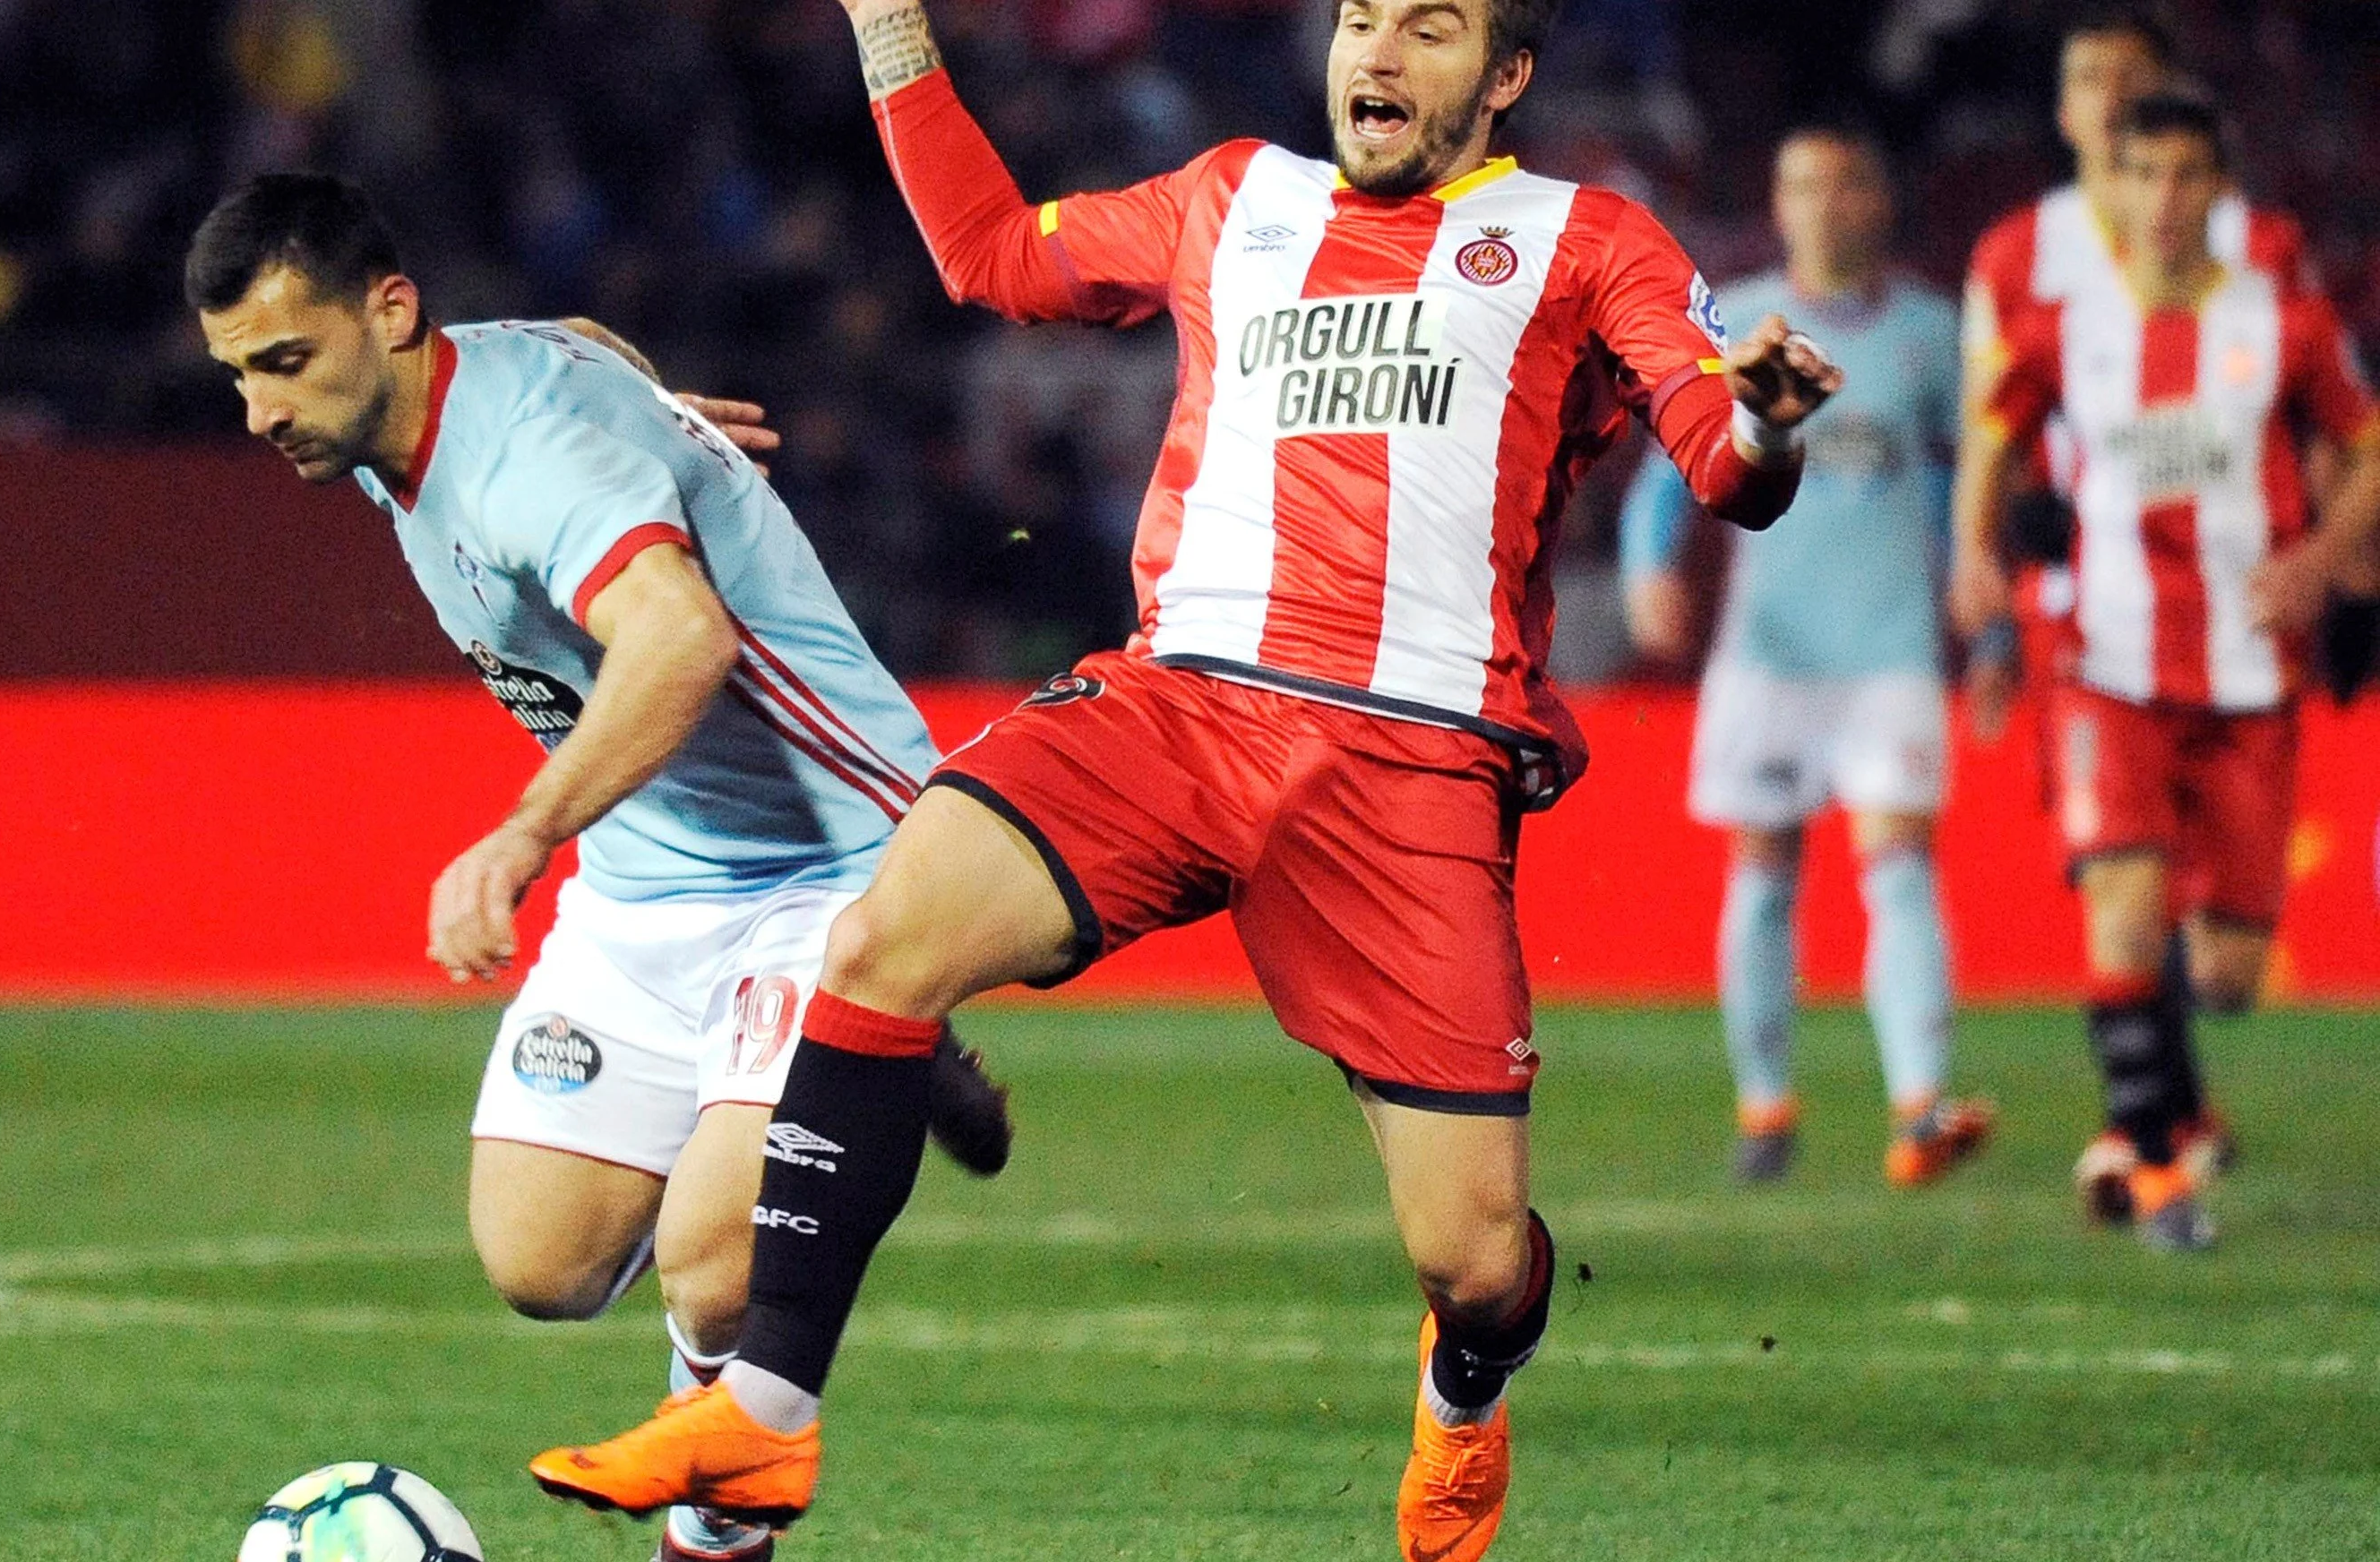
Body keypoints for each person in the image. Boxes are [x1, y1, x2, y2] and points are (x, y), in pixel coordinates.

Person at [529, 3, 1841, 1558]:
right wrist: (891, 28)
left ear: (1505, 78)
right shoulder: (1234, 197)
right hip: (1179, 703)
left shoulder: (1587, 236)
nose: (1380, 51)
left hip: (1406, 765)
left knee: (1474, 1257)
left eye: (1430, 29)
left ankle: (1468, 1389)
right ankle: (763, 1415)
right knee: (879, 939)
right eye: (1363, 16)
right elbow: (995, 256)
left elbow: (1721, 458)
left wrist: (1758, 413)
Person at [185, 172, 1015, 1562]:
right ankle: (868, 1073)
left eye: (285, 363)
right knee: (540, 1262)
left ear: (389, 314)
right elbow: (565, 341)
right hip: (650, 881)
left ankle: (712, 1526)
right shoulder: (436, 401)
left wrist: (523, 831)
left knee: (717, 1256)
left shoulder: (527, 462)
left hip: (829, 864)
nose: (261, 411)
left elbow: (684, 638)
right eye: (238, 377)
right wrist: (660, 428)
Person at [1954, 93, 2380, 1250]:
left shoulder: (2279, 320)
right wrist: (1973, 559)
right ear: (2116, 184)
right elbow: (1991, 431)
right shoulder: (2060, 321)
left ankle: (2154, 1119)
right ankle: (2152, 1171)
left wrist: (2325, 558)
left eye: (2189, 177)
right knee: (2126, 913)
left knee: (2230, 973)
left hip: (2248, 668)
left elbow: (2366, 443)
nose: (2165, 200)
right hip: (2105, 662)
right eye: (2143, 174)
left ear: (2220, 192)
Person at [1620, 124, 1990, 1188]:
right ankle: (1765, 1106)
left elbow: (1965, 481)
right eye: (1800, 187)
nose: (1822, 205)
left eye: (1843, 183)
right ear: (1777, 205)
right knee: (1763, 871)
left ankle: (1919, 1105)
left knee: (1901, 864)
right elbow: (1669, 466)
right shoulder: (1737, 320)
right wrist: (1652, 565)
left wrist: (1991, 617)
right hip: (1769, 646)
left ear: (1877, 199)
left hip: (1889, 643)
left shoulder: (1931, 332)